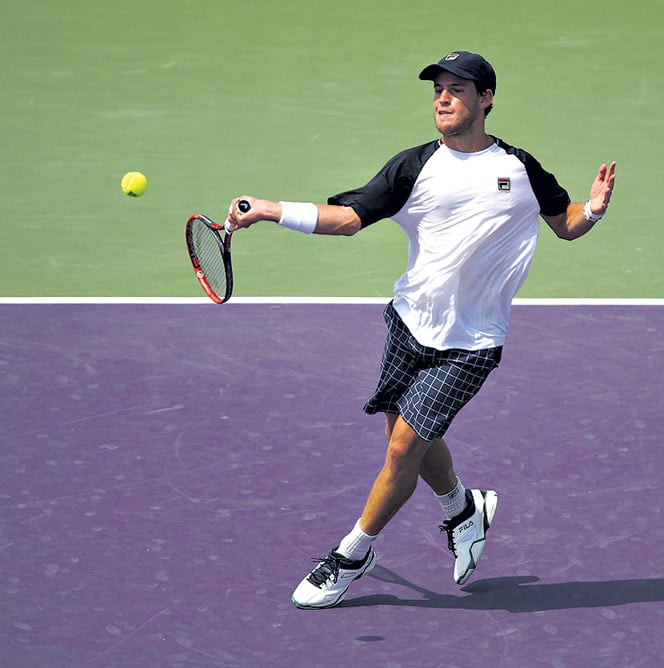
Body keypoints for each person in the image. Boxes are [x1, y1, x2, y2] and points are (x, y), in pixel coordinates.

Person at [226, 50, 617, 609]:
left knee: (403, 447)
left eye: (457, 89)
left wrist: (595, 210)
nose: (443, 97)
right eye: (438, 89)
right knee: (406, 440)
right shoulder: (412, 167)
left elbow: (566, 224)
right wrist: (268, 208)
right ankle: (462, 509)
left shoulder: (520, 168)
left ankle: (352, 553)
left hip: (472, 344)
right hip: (409, 325)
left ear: (486, 99)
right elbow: (347, 220)